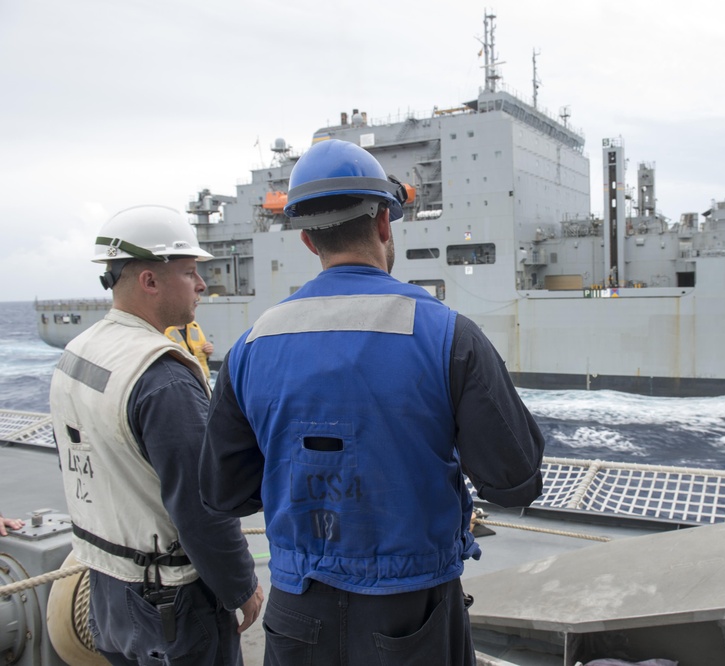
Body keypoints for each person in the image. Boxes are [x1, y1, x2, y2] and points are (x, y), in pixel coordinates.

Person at [200, 139, 545, 665]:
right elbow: (515, 479)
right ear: (385, 222)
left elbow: (224, 494)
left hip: (295, 612)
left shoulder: (250, 345)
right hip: (413, 615)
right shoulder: (448, 335)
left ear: (308, 240)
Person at [49, 205, 263, 666]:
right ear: (149, 281)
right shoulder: (162, 378)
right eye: (189, 272)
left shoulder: (77, 353)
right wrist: (241, 588)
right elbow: (203, 505)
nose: (203, 284)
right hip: (171, 604)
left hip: (106, 586)